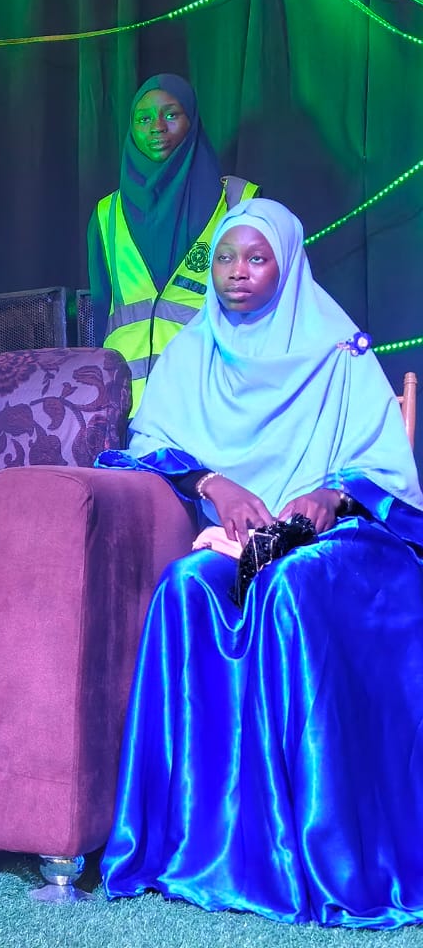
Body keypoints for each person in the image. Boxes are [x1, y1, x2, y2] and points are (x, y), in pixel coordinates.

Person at [97, 198, 423, 928]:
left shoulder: (339, 349)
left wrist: (331, 493)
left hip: (338, 545)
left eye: (255, 258)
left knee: (288, 586)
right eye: (224, 258)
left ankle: (312, 852)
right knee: (183, 587)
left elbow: (392, 477)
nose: (236, 273)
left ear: (288, 265)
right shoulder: (193, 351)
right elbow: (147, 444)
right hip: (235, 540)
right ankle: (195, 843)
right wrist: (214, 484)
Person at [87, 73, 259, 412]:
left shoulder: (238, 203)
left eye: (171, 114)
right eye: (144, 119)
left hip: (210, 402)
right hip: (127, 409)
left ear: (192, 120)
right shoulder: (108, 214)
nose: (157, 128)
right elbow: (100, 311)